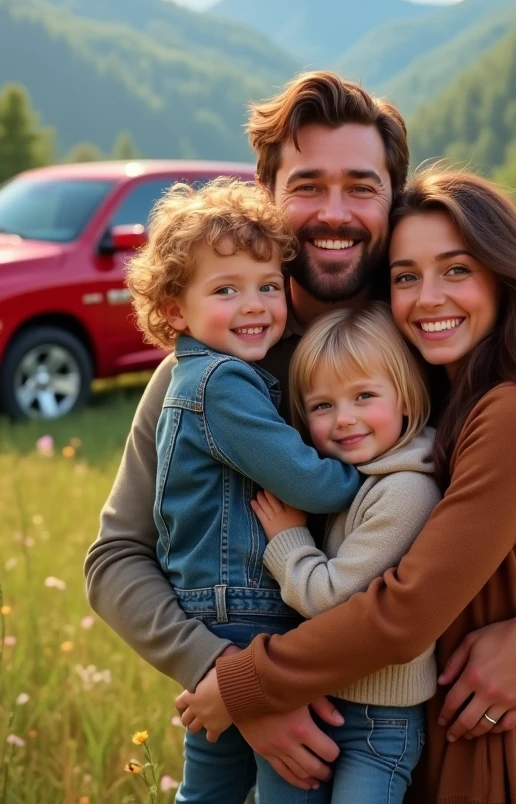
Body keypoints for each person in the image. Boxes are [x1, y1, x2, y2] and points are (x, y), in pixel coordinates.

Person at [85, 72, 516, 793]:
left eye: (362, 186)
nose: (334, 212)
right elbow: (116, 560)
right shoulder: (205, 377)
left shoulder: (432, 345)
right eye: (308, 186)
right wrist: (232, 679)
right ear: (270, 198)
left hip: (454, 743)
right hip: (303, 742)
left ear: (393, 196)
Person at [125, 176, 366, 802]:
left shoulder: (202, 374)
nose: (255, 305)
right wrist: (368, 481)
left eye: (267, 286)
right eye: (226, 290)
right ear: (176, 309)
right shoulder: (224, 384)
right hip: (247, 617)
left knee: (210, 786)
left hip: (212, 610)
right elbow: (306, 483)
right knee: (292, 783)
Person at [248, 303, 441, 802]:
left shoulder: (406, 492)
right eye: (322, 405)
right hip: (313, 698)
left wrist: (288, 540)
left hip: (380, 724)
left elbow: (332, 600)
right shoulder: (347, 479)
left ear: (405, 398)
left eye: (364, 396)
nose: (344, 419)